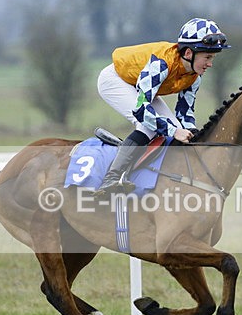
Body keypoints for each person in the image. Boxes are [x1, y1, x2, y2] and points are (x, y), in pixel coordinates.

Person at [94, 17, 230, 195]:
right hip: (115, 80)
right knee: (147, 125)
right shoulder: (161, 64)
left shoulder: (194, 76)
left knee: (177, 128)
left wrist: (192, 133)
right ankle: (112, 177)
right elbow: (141, 109)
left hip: (141, 86)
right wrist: (174, 131)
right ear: (189, 53)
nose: (210, 64)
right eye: (207, 57)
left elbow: (185, 113)